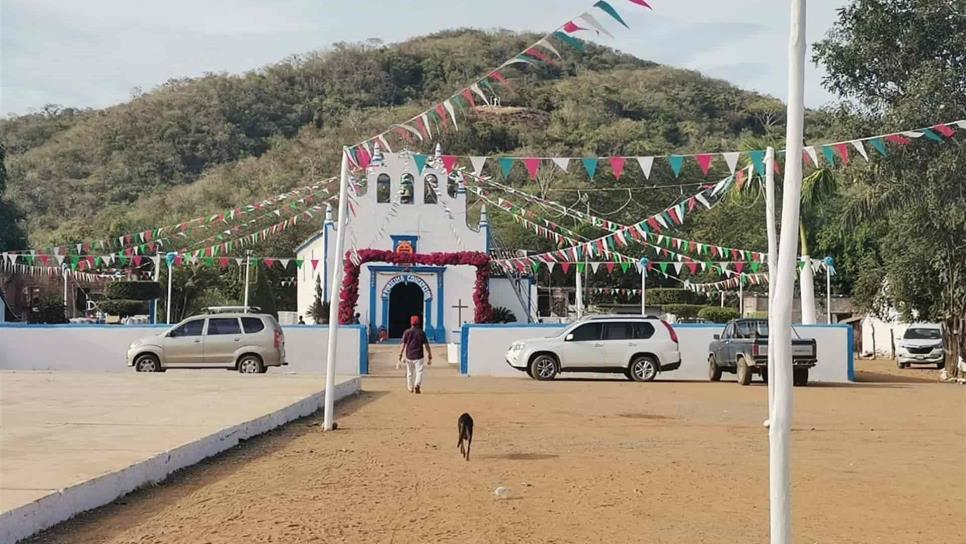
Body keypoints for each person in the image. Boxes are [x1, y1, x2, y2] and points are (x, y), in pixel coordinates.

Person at [398, 315, 432, 394]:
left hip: (409, 355)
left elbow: (403, 344)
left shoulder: (407, 332)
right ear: (419, 323)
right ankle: (417, 384)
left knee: (409, 373)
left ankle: (410, 388)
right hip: (419, 356)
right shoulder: (421, 332)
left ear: (411, 323)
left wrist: (400, 355)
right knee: (419, 371)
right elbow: (426, 345)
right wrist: (429, 354)